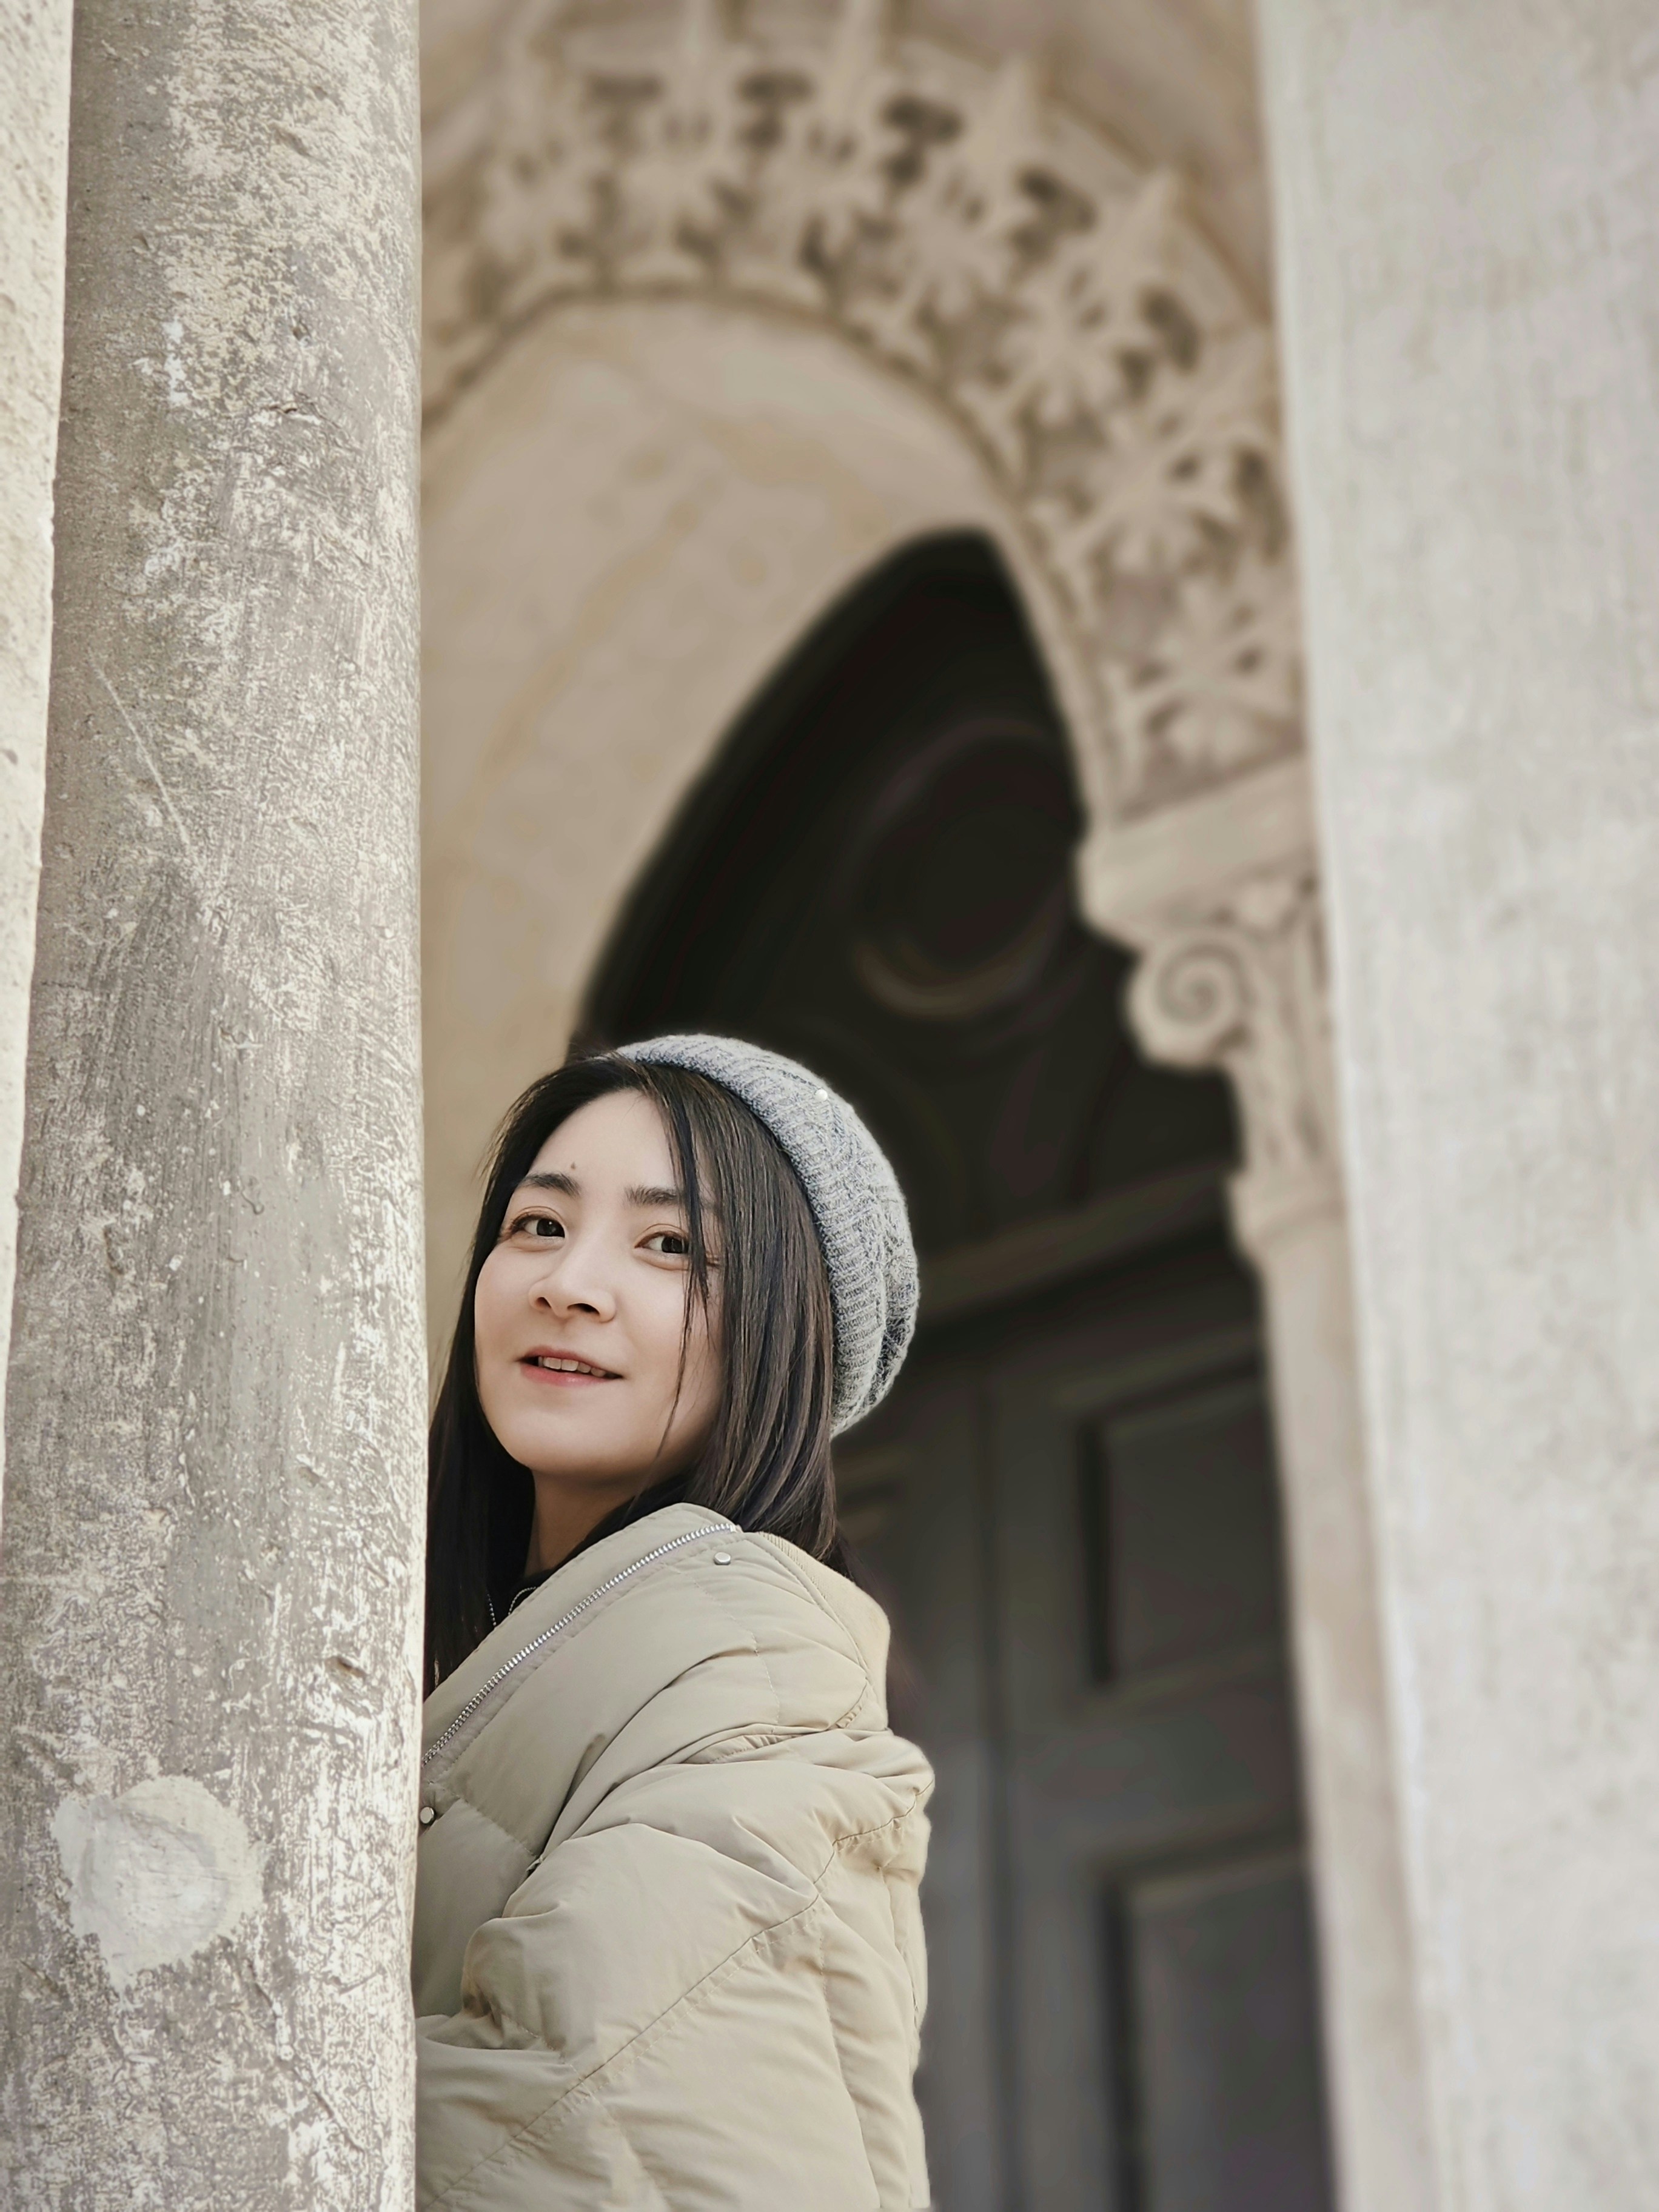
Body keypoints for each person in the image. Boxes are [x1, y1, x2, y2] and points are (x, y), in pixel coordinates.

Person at [412, 1034, 933, 2210]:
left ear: (783, 1335)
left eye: (669, 1246)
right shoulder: (506, 1646)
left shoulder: (759, 1671)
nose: (570, 1282)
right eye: (539, 1225)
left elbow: (586, 2128)